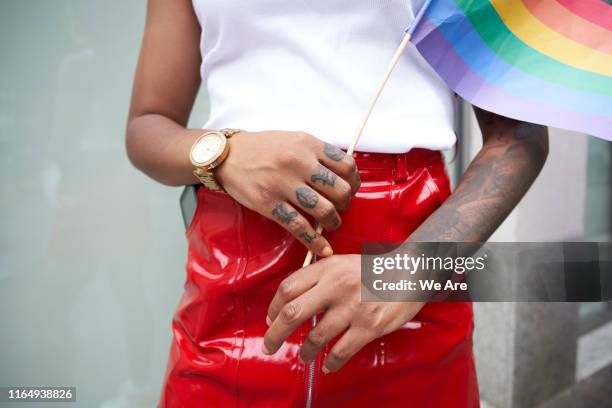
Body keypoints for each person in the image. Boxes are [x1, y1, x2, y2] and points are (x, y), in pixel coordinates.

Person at [126, 1, 548, 406]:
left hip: (406, 266)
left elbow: (518, 137)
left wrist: (410, 270)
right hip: (230, 290)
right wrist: (224, 153)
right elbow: (147, 126)